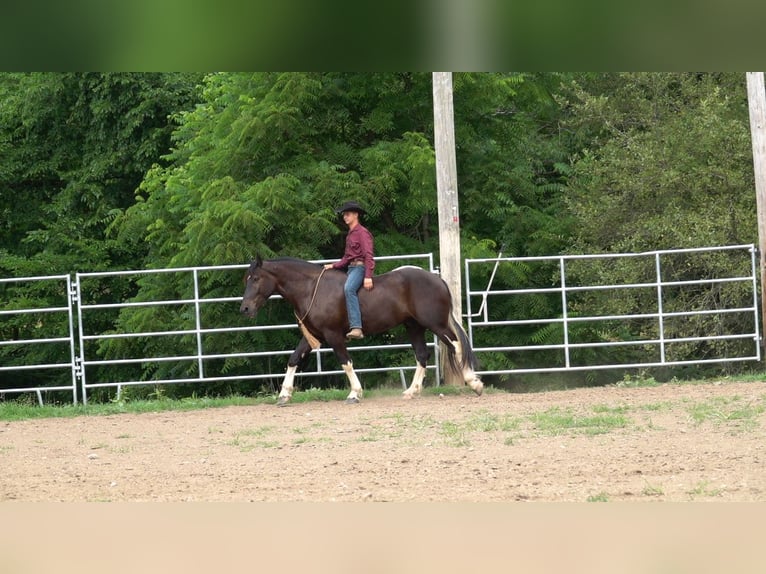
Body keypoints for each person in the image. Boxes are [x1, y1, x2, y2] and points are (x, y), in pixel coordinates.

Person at [324, 200, 375, 339]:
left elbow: (368, 254)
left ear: (355, 215)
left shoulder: (362, 233)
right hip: (351, 268)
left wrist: (368, 276)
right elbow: (347, 258)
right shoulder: (351, 234)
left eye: (347, 214)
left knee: (349, 289)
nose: (345, 217)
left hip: (359, 268)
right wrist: (333, 266)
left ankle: (357, 327)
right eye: (344, 215)